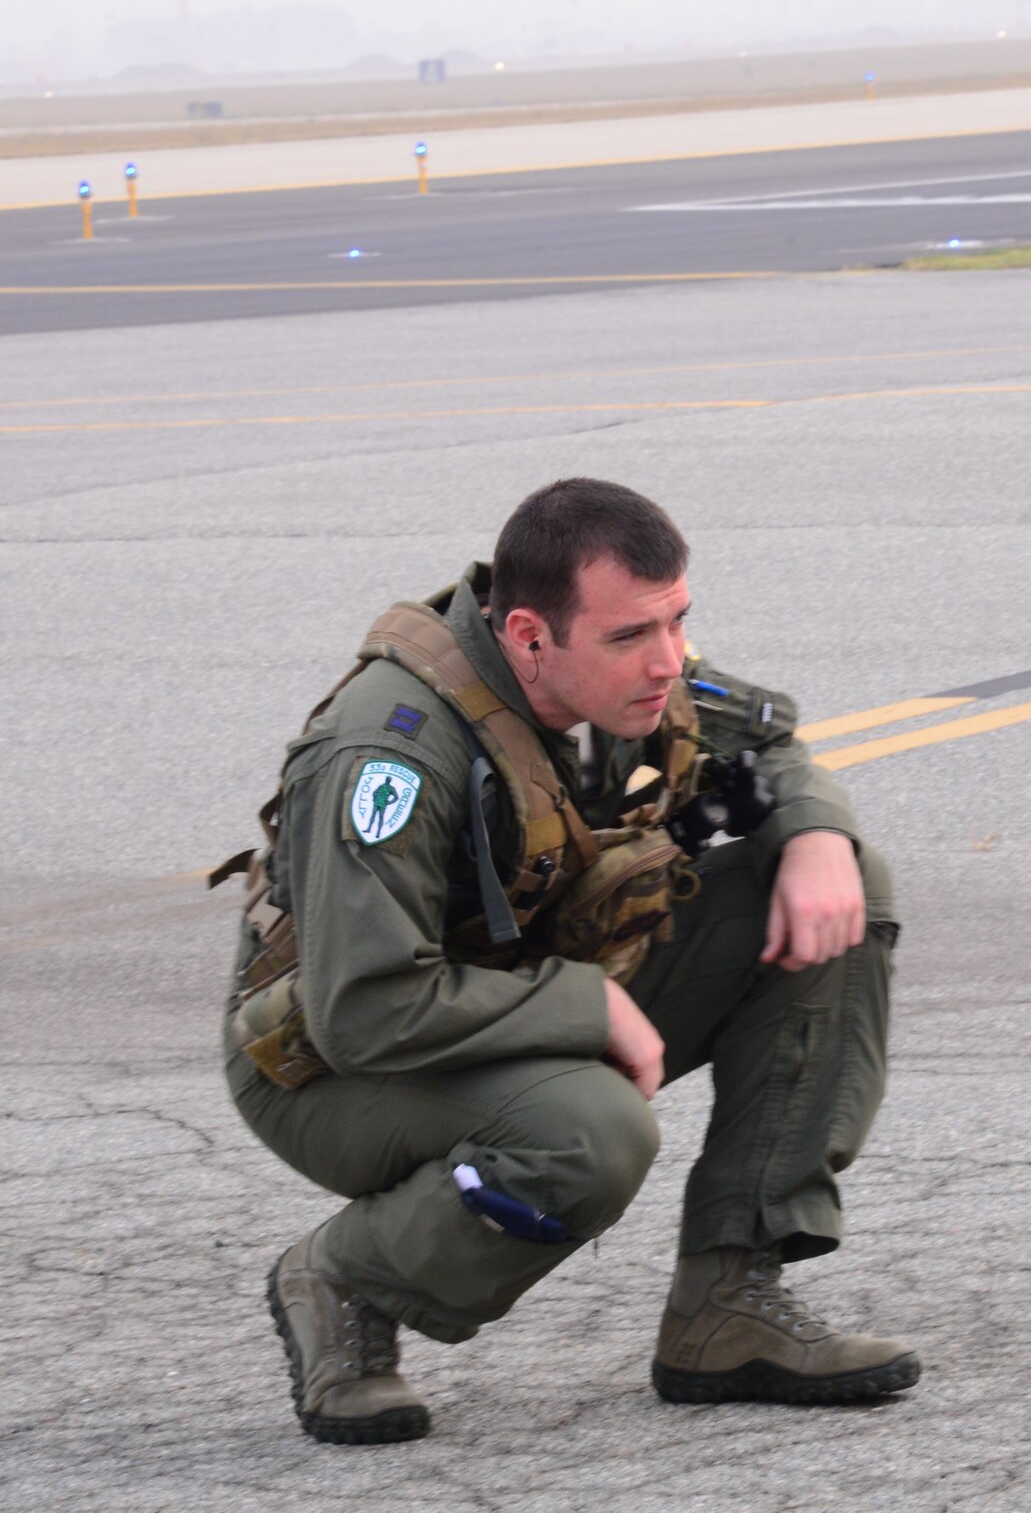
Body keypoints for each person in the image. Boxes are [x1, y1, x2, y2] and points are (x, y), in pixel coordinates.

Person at [220, 477, 914, 1444]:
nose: (667, 660)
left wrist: (813, 835)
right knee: (589, 1135)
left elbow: (771, 747)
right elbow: (363, 1008)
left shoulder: (621, 679)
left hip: (509, 999)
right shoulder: (393, 749)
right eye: (633, 635)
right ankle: (345, 1280)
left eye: (677, 622)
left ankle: (728, 1305)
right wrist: (585, 1005)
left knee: (840, 889)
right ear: (529, 639)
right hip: (333, 1067)